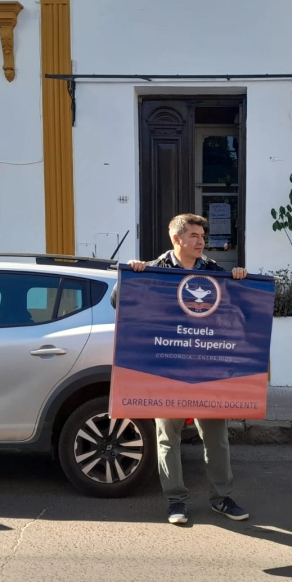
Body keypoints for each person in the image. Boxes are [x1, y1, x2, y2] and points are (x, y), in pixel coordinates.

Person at [125, 214, 249, 525]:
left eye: (203, 236)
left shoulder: (212, 271)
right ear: (177, 239)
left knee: (216, 437)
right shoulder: (153, 268)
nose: (201, 241)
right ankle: (175, 502)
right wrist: (133, 276)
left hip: (207, 369)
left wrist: (238, 279)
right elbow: (120, 301)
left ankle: (222, 498)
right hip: (167, 369)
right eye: (194, 235)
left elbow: (240, 304)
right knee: (168, 436)